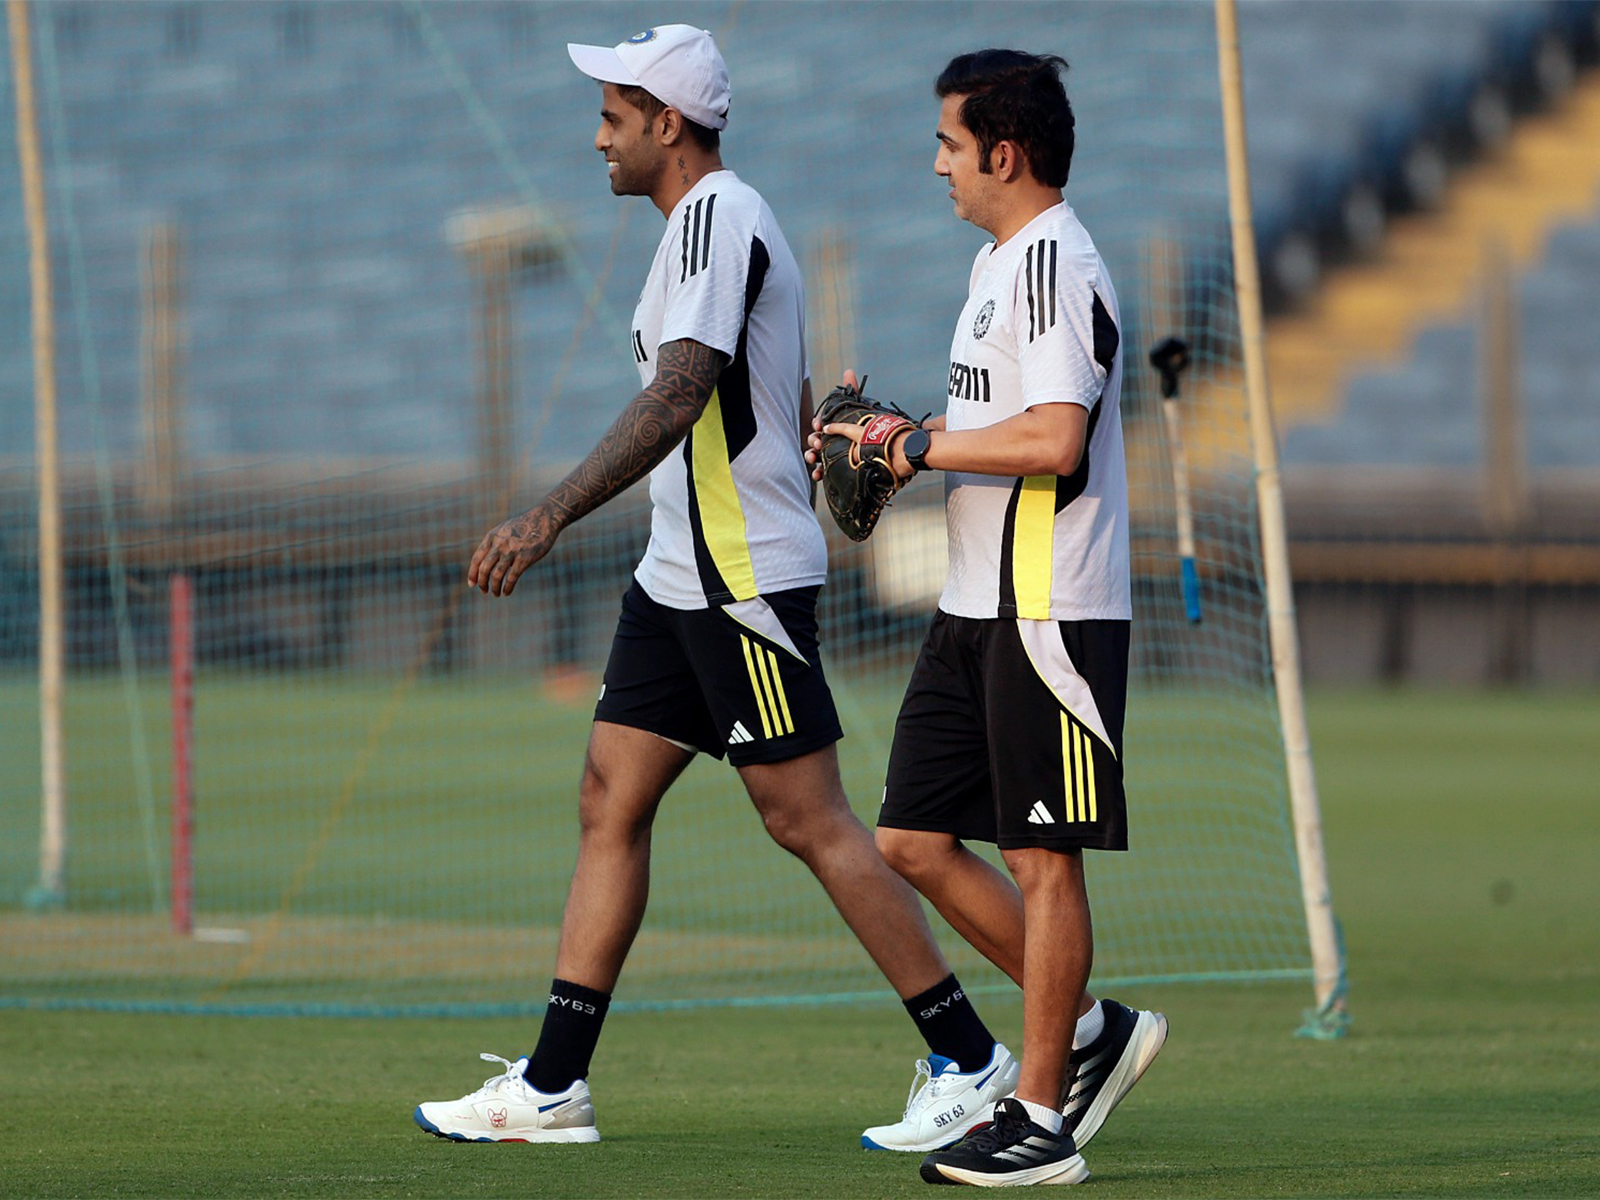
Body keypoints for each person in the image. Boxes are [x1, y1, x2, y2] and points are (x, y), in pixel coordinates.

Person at [412, 24, 1015, 1149]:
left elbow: (678, 395)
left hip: (739, 580)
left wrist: (545, 516)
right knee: (609, 798)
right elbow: (756, 400)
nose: (598, 137)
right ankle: (553, 1085)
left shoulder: (715, 219)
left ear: (667, 123)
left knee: (808, 819)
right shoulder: (698, 229)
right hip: (677, 575)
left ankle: (971, 1058)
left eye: (613, 116)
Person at [810, 50, 1167, 1186]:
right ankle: (1092, 1031)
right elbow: (997, 424)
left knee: (1041, 861)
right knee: (911, 838)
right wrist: (890, 441)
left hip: (1048, 607)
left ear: (1003, 155)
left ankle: (1040, 1120)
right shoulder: (998, 262)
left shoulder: (1055, 261)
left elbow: (1056, 439)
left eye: (949, 145)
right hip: (975, 603)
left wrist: (915, 444)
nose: (938, 166)